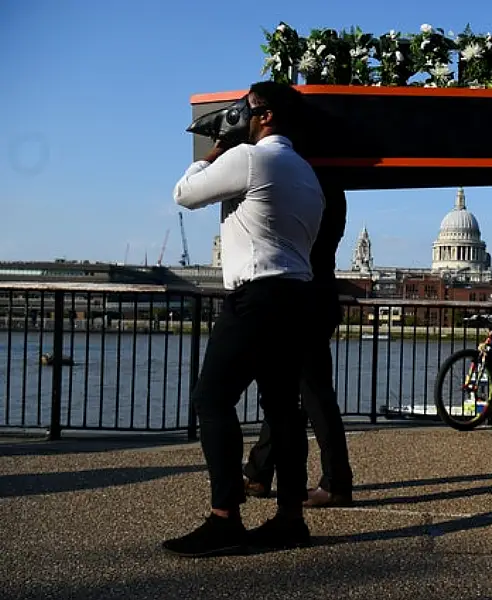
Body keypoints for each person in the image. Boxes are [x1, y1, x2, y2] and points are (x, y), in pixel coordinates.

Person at [163, 81, 324, 557]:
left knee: (211, 400)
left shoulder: (251, 158)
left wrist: (214, 149)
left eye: (244, 110)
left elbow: (185, 194)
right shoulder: (306, 173)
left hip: (255, 295)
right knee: (281, 410)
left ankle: (224, 518)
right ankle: (290, 518)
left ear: (267, 115)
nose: (238, 116)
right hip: (297, 296)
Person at [243, 183, 354, 507]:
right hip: (318, 298)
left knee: (313, 395)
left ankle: (336, 482)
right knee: (290, 392)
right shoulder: (329, 194)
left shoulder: (305, 188)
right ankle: (259, 472)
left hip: (302, 300)